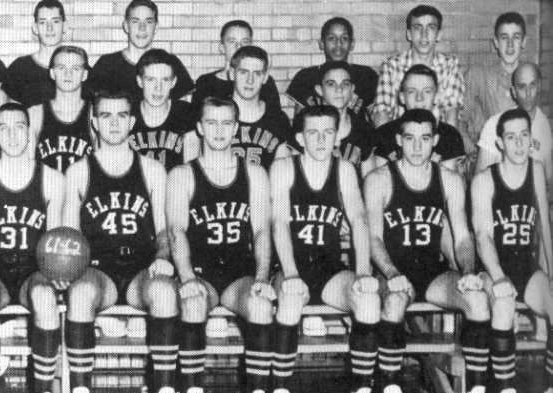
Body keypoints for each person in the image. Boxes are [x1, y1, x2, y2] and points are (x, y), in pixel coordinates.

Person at [363, 109, 489, 393]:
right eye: (410, 138)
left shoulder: (450, 180)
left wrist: (468, 272)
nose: (417, 147)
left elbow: (463, 238)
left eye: (425, 139)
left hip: (433, 274)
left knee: (478, 299)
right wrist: (392, 273)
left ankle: (478, 388)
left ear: (435, 141)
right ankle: (390, 385)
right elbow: (372, 238)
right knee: (394, 301)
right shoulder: (378, 179)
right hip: (392, 271)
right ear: (398, 140)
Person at [62, 90, 176, 393]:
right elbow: (71, 235)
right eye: (106, 116)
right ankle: (80, 388)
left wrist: (163, 256)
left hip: (142, 269)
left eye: (122, 115)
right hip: (99, 269)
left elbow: (164, 231)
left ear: (132, 121)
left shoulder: (152, 169)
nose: (114, 123)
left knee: (165, 292)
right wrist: (73, 273)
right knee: (81, 292)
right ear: (95, 122)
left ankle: (165, 387)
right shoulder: (78, 171)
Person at [269, 105, 380, 393]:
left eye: (328, 132)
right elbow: (279, 222)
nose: (320, 140)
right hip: (291, 264)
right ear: (300, 138)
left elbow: (358, 219)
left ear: (338, 136)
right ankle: (280, 386)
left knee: (367, 300)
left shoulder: (344, 170)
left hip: (330, 269)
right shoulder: (283, 167)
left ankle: (362, 386)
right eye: (313, 133)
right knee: (290, 301)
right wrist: (291, 274)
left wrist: (364, 271)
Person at [167, 97, 274, 393]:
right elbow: (177, 231)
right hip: (200, 272)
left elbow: (262, 230)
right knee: (192, 302)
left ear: (236, 128)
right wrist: (187, 277)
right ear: (200, 128)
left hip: (239, 274)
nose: (218, 131)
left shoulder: (254, 173)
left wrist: (263, 277)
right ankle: (192, 389)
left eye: (226, 123)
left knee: (261, 306)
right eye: (211, 123)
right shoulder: (182, 175)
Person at [0, 102, 65, 393]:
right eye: (4, 129)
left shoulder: (52, 179)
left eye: (19, 127)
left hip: (33, 270)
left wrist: (54, 272)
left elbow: (53, 244)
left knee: (46, 298)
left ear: (29, 132)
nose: (12, 135)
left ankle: (43, 388)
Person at [472, 108, 553, 393]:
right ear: (499, 143)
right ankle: (506, 388)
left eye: (524, 136)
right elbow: (482, 238)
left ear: (531, 139)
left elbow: (545, 225)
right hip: (492, 268)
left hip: (527, 269)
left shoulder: (537, 169)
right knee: (504, 306)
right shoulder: (484, 179)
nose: (519, 143)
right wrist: (498, 278)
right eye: (511, 137)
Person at [372, 5, 463, 130]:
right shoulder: (391, 66)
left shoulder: (450, 65)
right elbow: (382, 112)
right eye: (417, 27)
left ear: (438, 35)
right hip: (400, 141)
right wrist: (387, 147)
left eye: (431, 28)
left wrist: (448, 146)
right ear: (409, 34)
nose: (424, 34)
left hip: (438, 140)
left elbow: (452, 112)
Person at [84, 0, 192, 101]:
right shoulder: (107, 64)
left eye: (148, 22)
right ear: (126, 26)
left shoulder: (170, 63)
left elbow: (185, 107)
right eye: (135, 21)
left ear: (156, 27)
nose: (142, 28)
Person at [372, 65, 465, 174]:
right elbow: (378, 182)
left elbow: (452, 186)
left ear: (436, 97)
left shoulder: (450, 136)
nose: (419, 98)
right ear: (402, 97)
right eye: (412, 91)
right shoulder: (383, 134)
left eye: (427, 91)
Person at [463, 12, 529, 153]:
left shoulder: (530, 78)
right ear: (496, 42)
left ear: (524, 42)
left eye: (516, 37)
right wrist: (474, 153)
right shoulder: (479, 76)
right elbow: (461, 119)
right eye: (504, 38)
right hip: (489, 157)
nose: (510, 45)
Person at [286, 17, 379, 115]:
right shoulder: (306, 77)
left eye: (344, 38)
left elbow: (375, 121)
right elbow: (298, 123)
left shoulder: (366, 75)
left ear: (352, 44)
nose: (338, 43)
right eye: (331, 38)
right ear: (322, 43)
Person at [477, 62, 553, 182]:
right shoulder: (494, 124)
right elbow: (480, 183)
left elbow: (549, 179)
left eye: (532, 85)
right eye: (522, 87)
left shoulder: (543, 123)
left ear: (539, 86)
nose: (528, 94)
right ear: (513, 91)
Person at [130, 48, 198, 169]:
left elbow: (190, 171)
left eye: (165, 80)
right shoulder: (127, 114)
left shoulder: (186, 113)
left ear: (173, 82)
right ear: (140, 81)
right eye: (151, 80)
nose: (158, 88)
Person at [29, 45, 93, 173]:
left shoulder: (94, 114)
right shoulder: (35, 114)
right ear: (52, 73)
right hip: (47, 191)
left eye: (75, 68)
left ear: (84, 75)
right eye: (61, 68)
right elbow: (27, 165)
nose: (68, 74)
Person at [192, 20, 281, 111]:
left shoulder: (264, 82)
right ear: (222, 48)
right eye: (232, 41)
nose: (238, 47)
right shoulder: (206, 82)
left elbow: (274, 119)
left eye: (245, 42)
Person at [228, 46, 293, 169]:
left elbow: (283, 173)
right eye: (243, 72)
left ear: (265, 77)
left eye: (257, 74)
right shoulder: (216, 114)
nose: (250, 80)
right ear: (232, 73)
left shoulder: (278, 119)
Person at [310, 61, 378, 174]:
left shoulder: (363, 130)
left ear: (352, 89)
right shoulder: (307, 126)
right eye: (331, 84)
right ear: (319, 90)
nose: (339, 89)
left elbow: (369, 180)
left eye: (345, 84)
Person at [2, 0, 65, 107]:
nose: (49, 28)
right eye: (43, 22)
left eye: (55, 21)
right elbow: (12, 116)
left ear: (65, 26)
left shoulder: (78, 68)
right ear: (35, 28)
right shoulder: (19, 68)